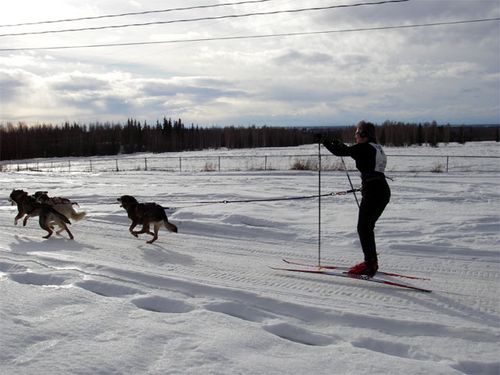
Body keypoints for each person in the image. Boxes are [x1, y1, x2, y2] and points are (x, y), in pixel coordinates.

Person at [322, 121, 390, 277]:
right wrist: (338, 144)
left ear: (365, 135)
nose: (356, 136)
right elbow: (347, 150)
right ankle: (370, 262)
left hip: (374, 191)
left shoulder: (365, 148)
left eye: (358, 133)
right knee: (366, 228)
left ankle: (370, 264)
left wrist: (325, 142)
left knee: (364, 228)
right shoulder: (375, 147)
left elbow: (341, 152)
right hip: (380, 189)